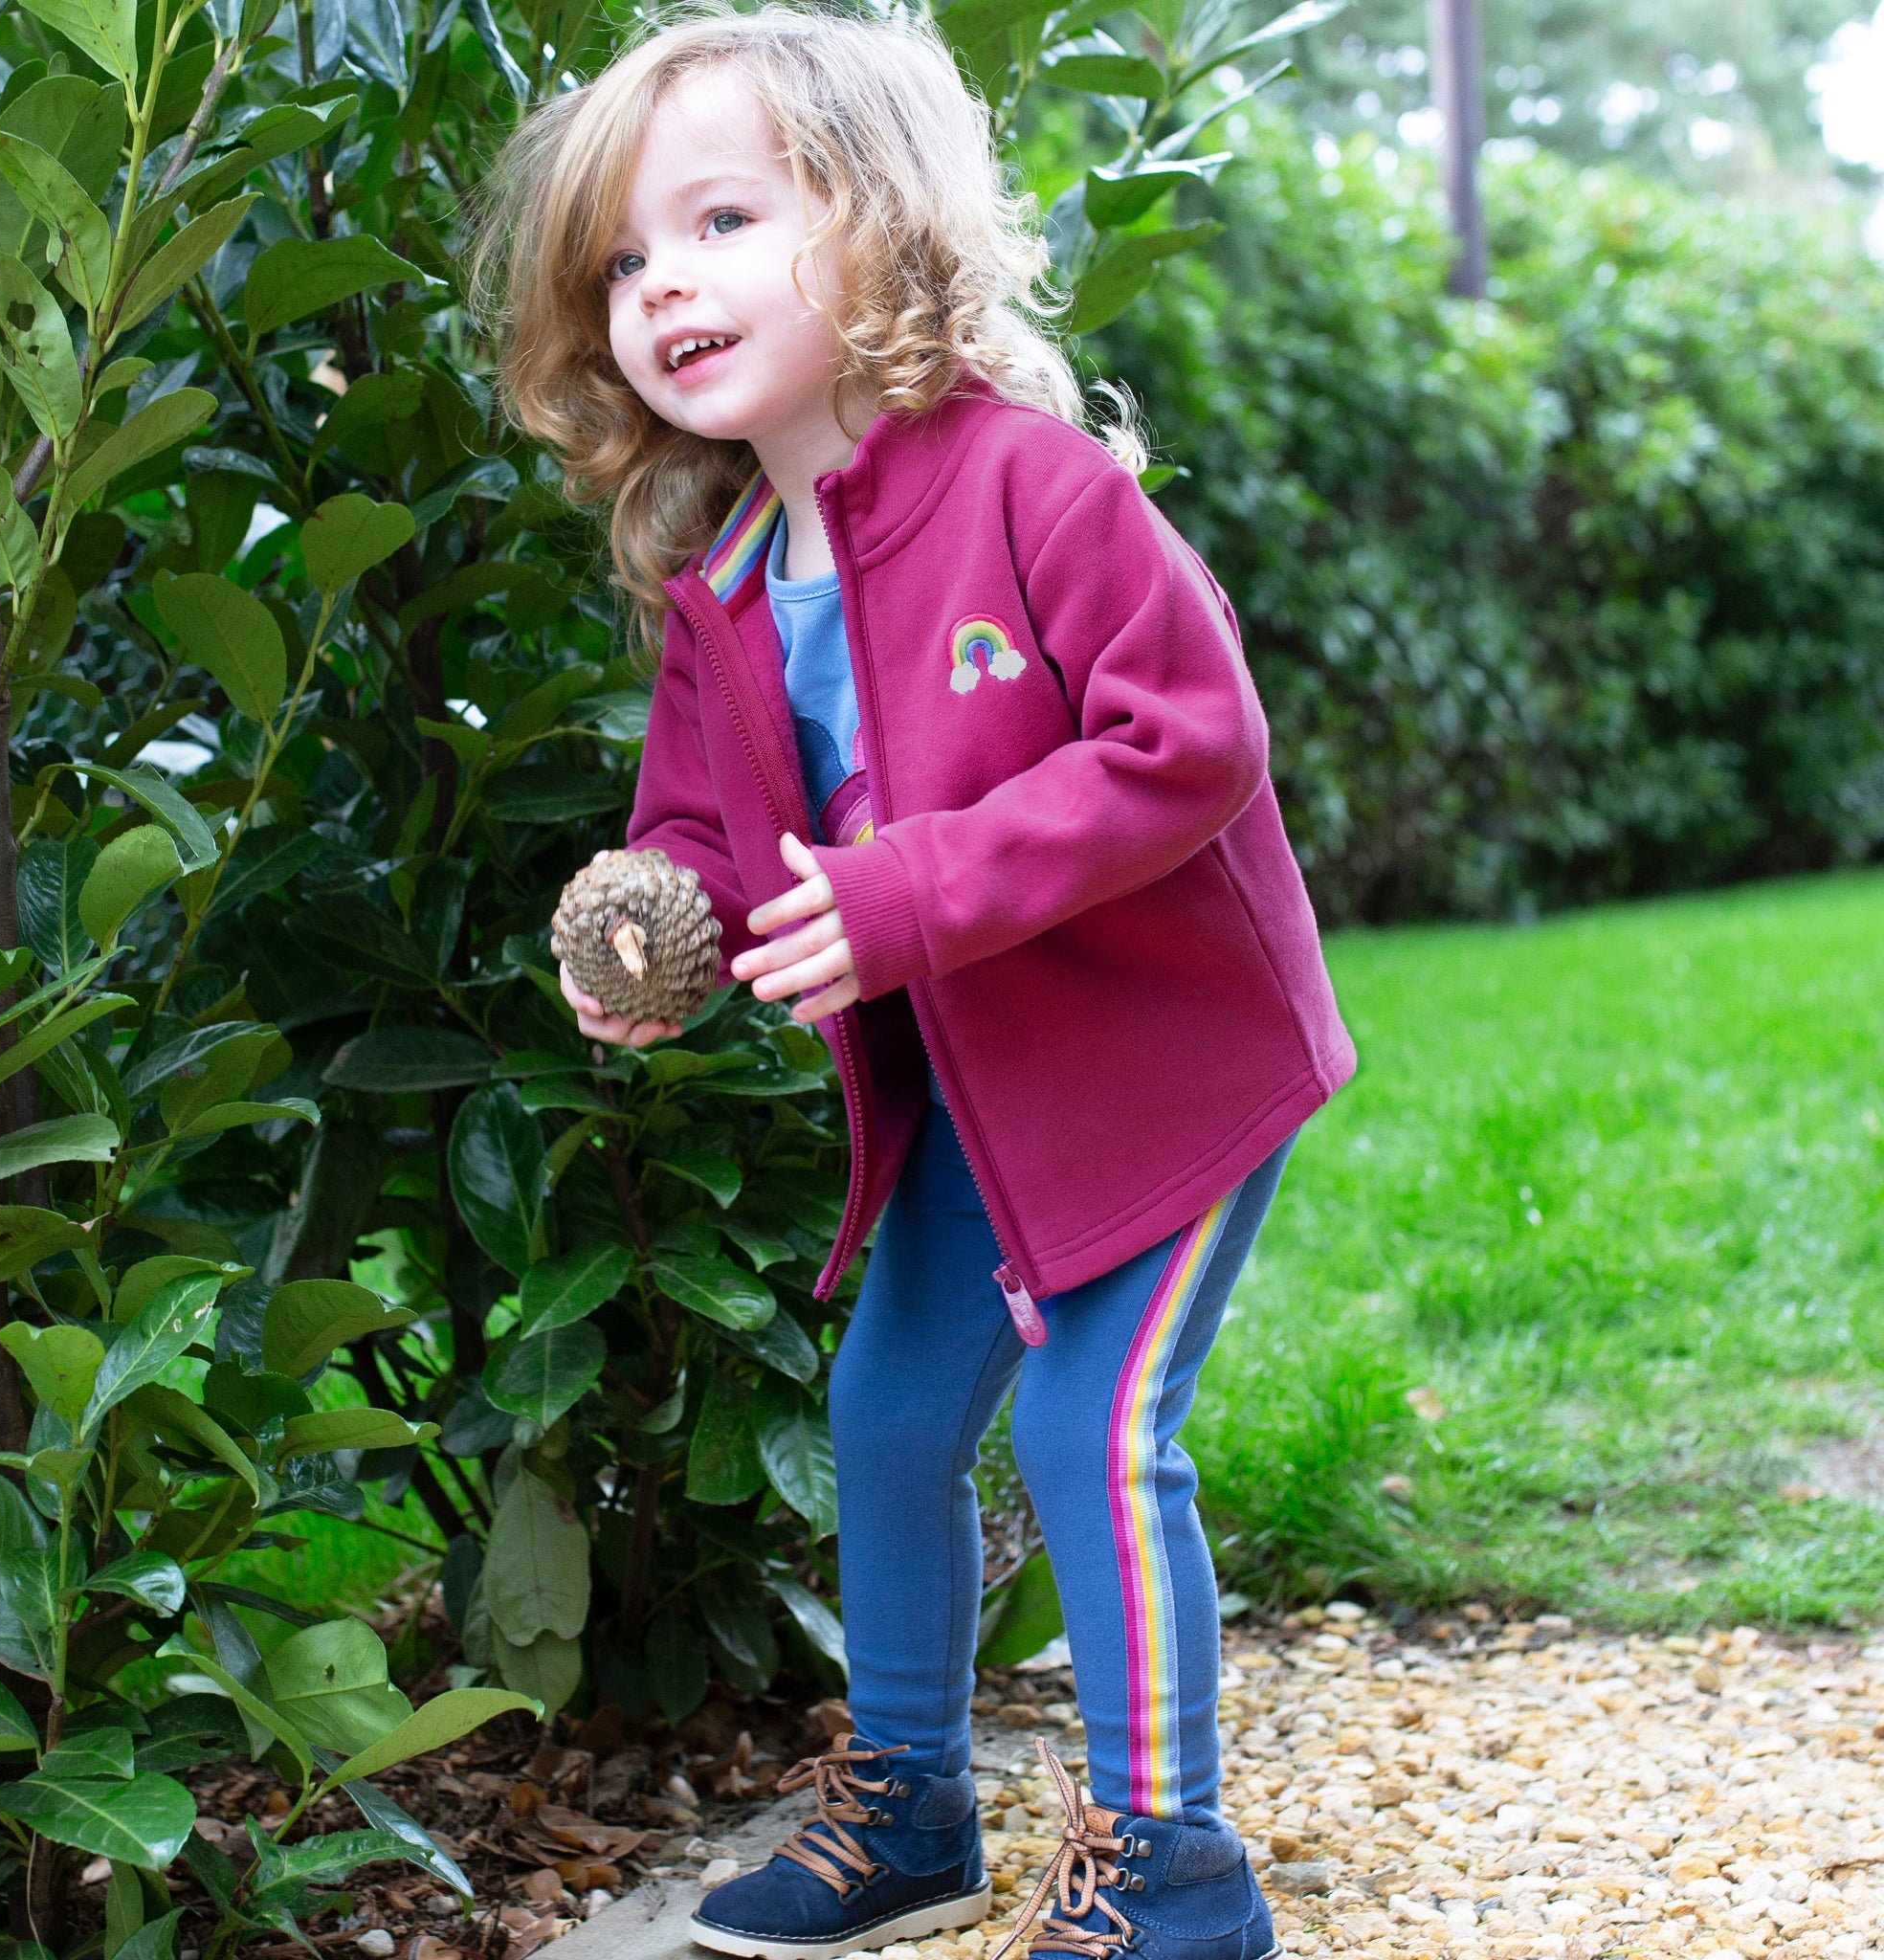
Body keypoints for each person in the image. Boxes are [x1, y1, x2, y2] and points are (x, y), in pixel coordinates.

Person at [482, 9, 1355, 1957]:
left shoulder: (1033, 489)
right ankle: (909, 1807)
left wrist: (904, 892)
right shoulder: (727, 579)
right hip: (976, 1091)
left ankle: (1174, 1873)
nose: (661, 283)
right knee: (884, 1413)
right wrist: (652, 938)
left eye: (716, 218)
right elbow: (703, 830)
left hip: (1164, 1071)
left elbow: (1188, 742)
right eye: (623, 259)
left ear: (876, 220)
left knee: (1087, 1430)